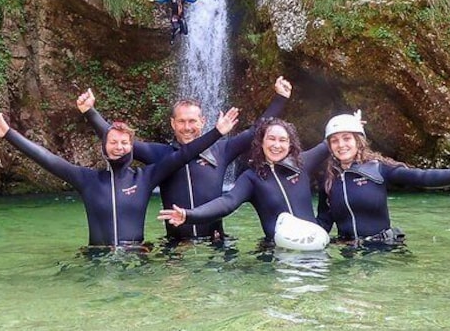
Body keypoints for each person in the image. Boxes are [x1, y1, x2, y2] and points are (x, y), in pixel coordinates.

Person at [0, 102, 239, 248]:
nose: (119, 147)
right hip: (96, 257)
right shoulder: (87, 179)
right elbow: (48, 160)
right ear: (104, 145)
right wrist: (9, 135)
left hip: (137, 257)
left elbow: (184, 154)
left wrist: (217, 132)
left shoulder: (146, 177)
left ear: (132, 146)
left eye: (125, 143)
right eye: (113, 142)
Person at [79, 76, 294, 243]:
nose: (187, 127)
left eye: (192, 121)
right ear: (173, 124)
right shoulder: (159, 155)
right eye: (181, 121)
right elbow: (119, 140)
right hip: (176, 245)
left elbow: (256, 130)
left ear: (203, 121)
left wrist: (280, 98)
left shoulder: (222, 149)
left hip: (215, 242)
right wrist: (90, 112)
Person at [316, 110, 450, 245]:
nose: (341, 145)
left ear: (358, 141)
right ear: (329, 146)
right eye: (335, 140)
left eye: (347, 138)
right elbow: (324, 220)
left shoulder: (379, 168)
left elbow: (424, 178)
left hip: (383, 248)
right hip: (348, 250)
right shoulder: (328, 179)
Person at [158, 118, 330, 244]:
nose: (276, 145)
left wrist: (353, 125)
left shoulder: (303, 163)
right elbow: (227, 203)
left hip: (315, 245)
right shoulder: (252, 178)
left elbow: (332, 143)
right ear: (261, 142)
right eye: (271, 138)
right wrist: (189, 215)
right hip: (277, 250)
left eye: (282, 140)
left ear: (290, 145)